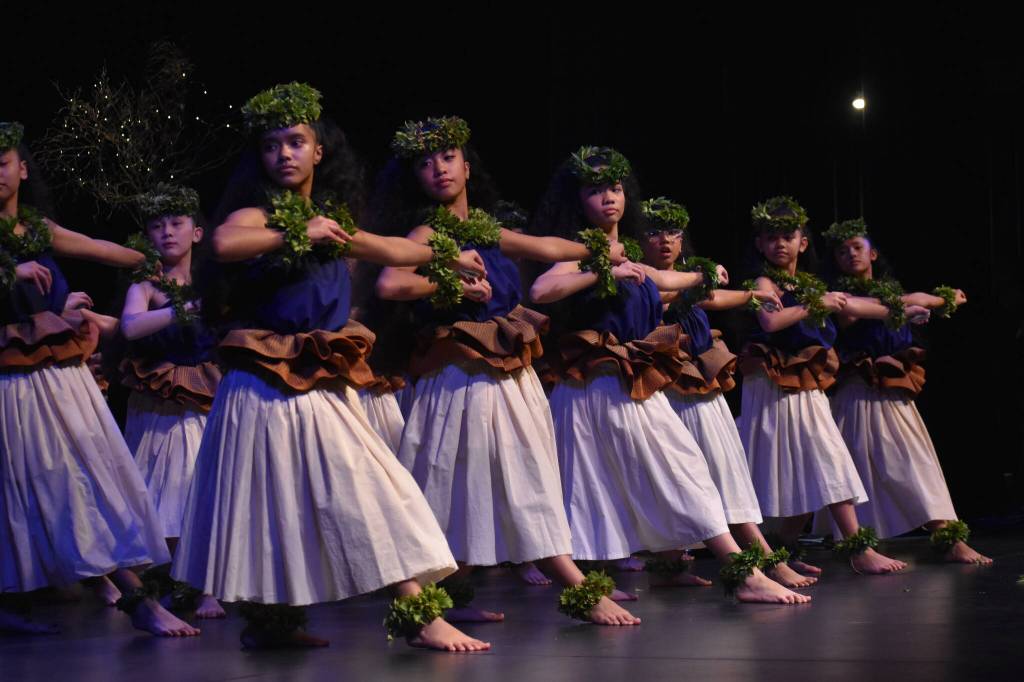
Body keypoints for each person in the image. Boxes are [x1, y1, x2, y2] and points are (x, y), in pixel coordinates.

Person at [170, 84, 489, 651]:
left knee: (362, 489)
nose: (284, 155)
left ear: (319, 151)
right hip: (266, 379)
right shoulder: (255, 212)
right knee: (292, 499)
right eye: (271, 146)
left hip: (316, 375)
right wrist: (295, 232)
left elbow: (390, 250)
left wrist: (450, 258)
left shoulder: (332, 218)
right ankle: (389, 616)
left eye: (296, 142)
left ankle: (301, 622)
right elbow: (222, 242)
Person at [375, 117, 639, 625]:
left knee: (500, 480)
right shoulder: (429, 232)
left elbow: (544, 249)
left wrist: (596, 250)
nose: (437, 170)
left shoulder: (487, 230)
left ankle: (452, 596)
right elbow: (390, 284)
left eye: (447, 158)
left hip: (509, 374)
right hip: (458, 377)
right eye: (425, 163)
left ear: (467, 168)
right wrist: (445, 282)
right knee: (458, 484)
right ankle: (575, 589)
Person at [531, 148, 810, 603]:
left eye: (616, 189)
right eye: (596, 190)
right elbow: (543, 289)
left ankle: (739, 574)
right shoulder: (585, 252)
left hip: (631, 385)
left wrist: (705, 277)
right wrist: (603, 268)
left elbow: (672, 283)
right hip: (595, 387)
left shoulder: (635, 257)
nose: (608, 199)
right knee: (600, 488)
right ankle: (739, 575)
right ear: (577, 200)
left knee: (681, 473)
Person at [0, 121, 198, 637]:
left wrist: (151, 261)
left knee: (84, 477)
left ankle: (131, 593)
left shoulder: (37, 228)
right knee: (24, 485)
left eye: (2, 163)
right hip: (8, 378)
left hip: (54, 374)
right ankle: (130, 599)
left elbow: (96, 247)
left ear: (21, 168)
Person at [737, 196, 907, 575]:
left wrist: (909, 309)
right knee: (813, 461)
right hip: (775, 385)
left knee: (813, 464)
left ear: (803, 242)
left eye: (787, 235)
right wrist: (820, 305)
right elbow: (771, 323)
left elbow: (863, 309)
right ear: (760, 245)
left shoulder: (810, 285)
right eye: (770, 236)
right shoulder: (764, 281)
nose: (780, 243)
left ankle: (784, 549)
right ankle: (855, 548)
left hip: (807, 386)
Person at [822, 218, 989, 564]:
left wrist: (943, 300)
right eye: (841, 251)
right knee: (856, 471)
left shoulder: (890, 290)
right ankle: (862, 545)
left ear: (873, 253)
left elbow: (912, 297)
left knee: (914, 463)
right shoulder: (839, 296)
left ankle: (946, 536)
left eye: (856, 247)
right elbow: (856, 316)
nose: (850, 254)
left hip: (892, 392)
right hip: (857, 391)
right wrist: (909, 310)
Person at [120, 184, 225, 618]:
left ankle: (209, 585)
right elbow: (130, 327)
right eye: (157, 227)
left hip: (206, 392)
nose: (167, 234)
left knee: (204, 486)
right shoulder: (146, 284)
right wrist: (185, 310)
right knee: (162, 491)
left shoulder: (212, 282)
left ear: (197, 233)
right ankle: (172, 581)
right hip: (160, 398)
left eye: (176, 224)